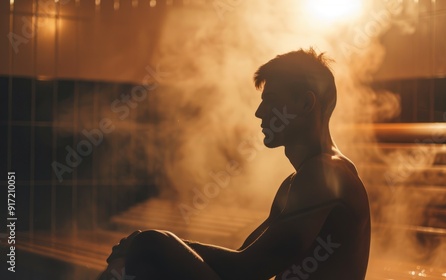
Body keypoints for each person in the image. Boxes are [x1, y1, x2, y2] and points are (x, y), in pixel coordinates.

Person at [99, 48, 371, 280]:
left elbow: (249, 270)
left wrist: (153, 243)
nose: (259, 113)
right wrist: (154, 247)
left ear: (305, 104)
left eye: (271, 101)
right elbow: (241, 261)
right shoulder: (298, 181)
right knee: (147, 253)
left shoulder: (325, 173)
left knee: (149, 245)